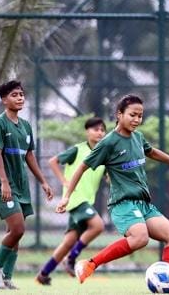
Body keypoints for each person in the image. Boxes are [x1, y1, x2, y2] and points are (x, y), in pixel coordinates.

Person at [56, 94, 169, 293]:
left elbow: (151, 152)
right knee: (140, 238)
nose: (137, 120)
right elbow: (82, 167)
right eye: (132, 115)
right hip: (123, 204)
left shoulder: (138, 137)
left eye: (140, 116)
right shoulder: (108, 143)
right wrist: (66, 196)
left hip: (143, 203)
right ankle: (89, 264)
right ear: (119, 114)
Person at [0, 80, 54, 290]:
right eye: (15, 95)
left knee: (14, 233)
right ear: (5, 100)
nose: (20, 98)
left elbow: (29, 156)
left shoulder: (25, 126)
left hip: (21, 187)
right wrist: (4, 182)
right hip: (3, 186)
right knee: (18, 229)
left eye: (22, 94)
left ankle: (6, 278)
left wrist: (43, 181)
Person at [36, 116, 107, 285]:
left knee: (69, 241)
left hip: (86, 202)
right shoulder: (78, 150)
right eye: (95, 129)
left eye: (102, 130)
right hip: (75, 199)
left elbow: (108, 176)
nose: (99, 132)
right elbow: (53, 161)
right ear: (87, 132)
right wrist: (63, 182)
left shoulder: (103, 155)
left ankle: (43, 274)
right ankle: (71, 259)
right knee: (98, 225)